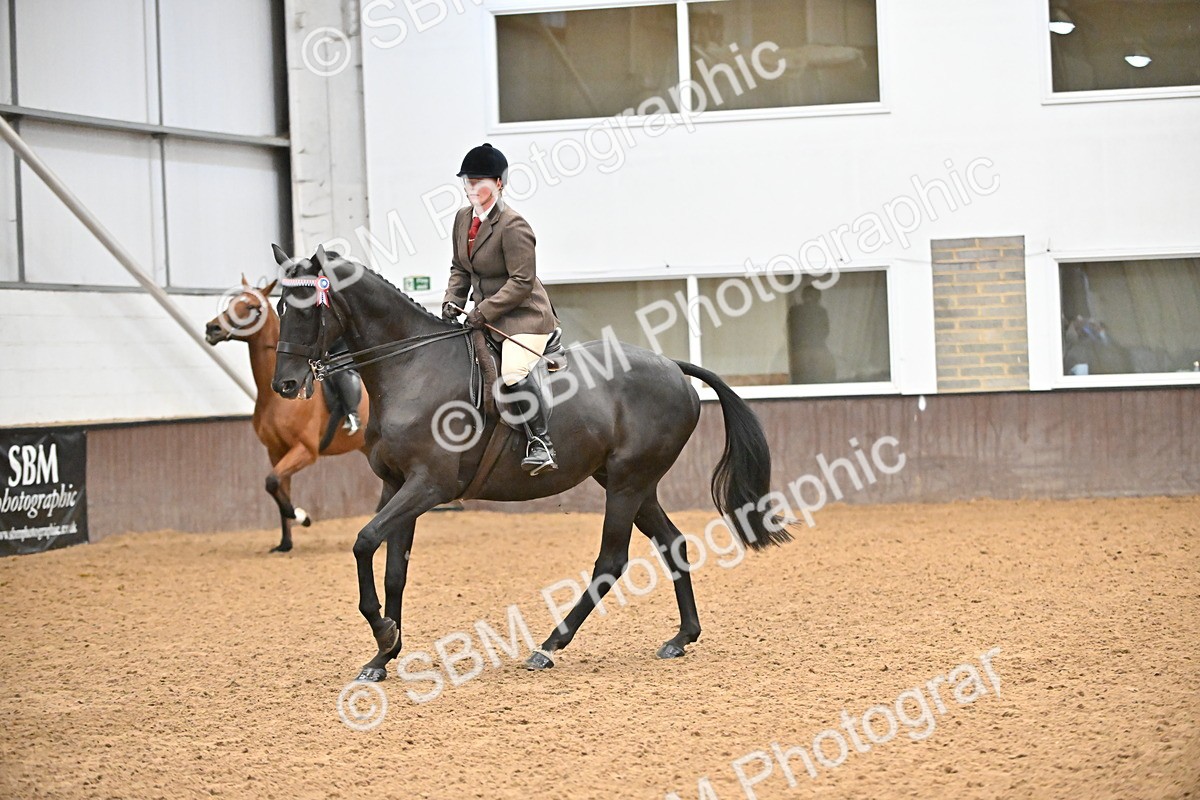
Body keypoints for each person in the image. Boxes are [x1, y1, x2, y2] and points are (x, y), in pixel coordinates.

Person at [441, 143, 560, 475]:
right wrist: (452, 300)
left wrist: (484, 311)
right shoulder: (462, 219)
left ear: (498, 184)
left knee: (513, 373)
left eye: (479, 182)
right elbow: (460, 267)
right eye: (468, 182)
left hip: (524, 318)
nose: (472, 189)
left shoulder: (513, 225)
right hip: (485, 317)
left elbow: (522, 281)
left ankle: (541, 444)